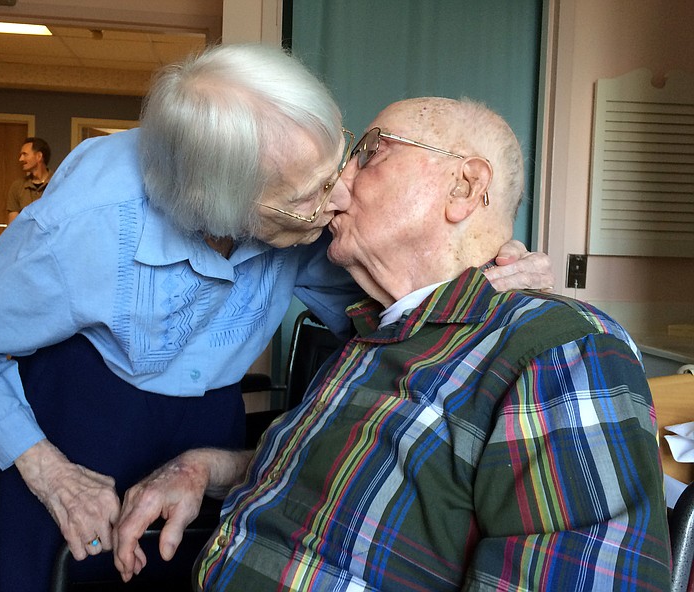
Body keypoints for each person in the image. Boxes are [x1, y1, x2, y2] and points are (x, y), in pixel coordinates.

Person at [0, 44, 551, 591]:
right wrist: (48, 470)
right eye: (305, 197)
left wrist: (491, 273)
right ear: (215, 206)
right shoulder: (87, 223)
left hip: (206, 428)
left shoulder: (303, 207)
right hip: (70, 425)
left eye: (338, 164)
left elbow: (396, 318)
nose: (337, 198)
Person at [113, 97, 670, 591]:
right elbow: (331, 470)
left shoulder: (559, 349)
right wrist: (206, 468)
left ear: (465, 187)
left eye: (369, 152)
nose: (334, 185)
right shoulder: (374, 333)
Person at [6, 136, 52, 223]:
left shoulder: (59, 183)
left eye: (25, 154)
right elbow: (12, 227)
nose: (21, 159)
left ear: (39, 156)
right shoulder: (17, 186)